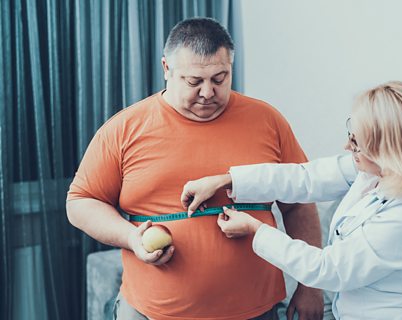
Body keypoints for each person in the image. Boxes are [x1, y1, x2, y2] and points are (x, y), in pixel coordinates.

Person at [66, 17, 324, 320]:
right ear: (166, 69)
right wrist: (130, 237)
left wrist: (311, 286)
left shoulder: (267, 120)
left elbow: (299, 203)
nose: (207, 92)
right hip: (152, 312)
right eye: (194, 81)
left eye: (219, 79)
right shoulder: (124, 129)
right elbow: (81, 202)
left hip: (256, 310)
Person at [181, 81, 402, 319]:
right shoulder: (376, 172)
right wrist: (227, 180)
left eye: (358, 142)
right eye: (351, 134)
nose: (348, 147)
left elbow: (329, 269)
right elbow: (304, 178)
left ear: (388, 150)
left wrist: (256, 231)